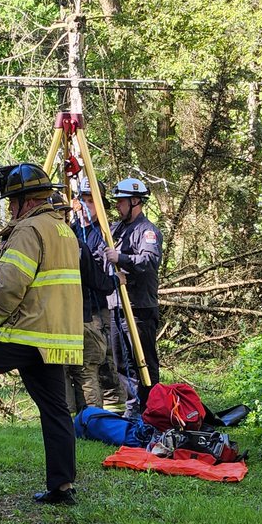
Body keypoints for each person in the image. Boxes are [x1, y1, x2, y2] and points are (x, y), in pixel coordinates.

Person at [0, 163, 83, 506]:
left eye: (12, 202)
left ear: (25, 201)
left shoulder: (29, 230)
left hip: (26, 332)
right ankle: (62, 487)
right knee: (55, 408)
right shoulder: (62, 230)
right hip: (54, 337)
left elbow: (8, 287)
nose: (10, 209)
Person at [104, 176, 163, 418]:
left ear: (135, 201)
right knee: (122, 362)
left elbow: (149, 261)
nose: (117, 206)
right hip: (117, 306)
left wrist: (122, 259)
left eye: (121, 201)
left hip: (139, 308)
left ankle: (151, 411)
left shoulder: (148, 231)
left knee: (144, 363)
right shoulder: (118, 229)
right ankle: (132, 408)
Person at [66, 178, 125, 413]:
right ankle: (84, 411)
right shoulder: (69, 231)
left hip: (99, 305)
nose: (87, 205)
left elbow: (103, 272)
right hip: (74, 308)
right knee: (79, 364)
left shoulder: (108, 233)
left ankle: (114, 410)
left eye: (93, 201)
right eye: (84, 200)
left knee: (104, 362)